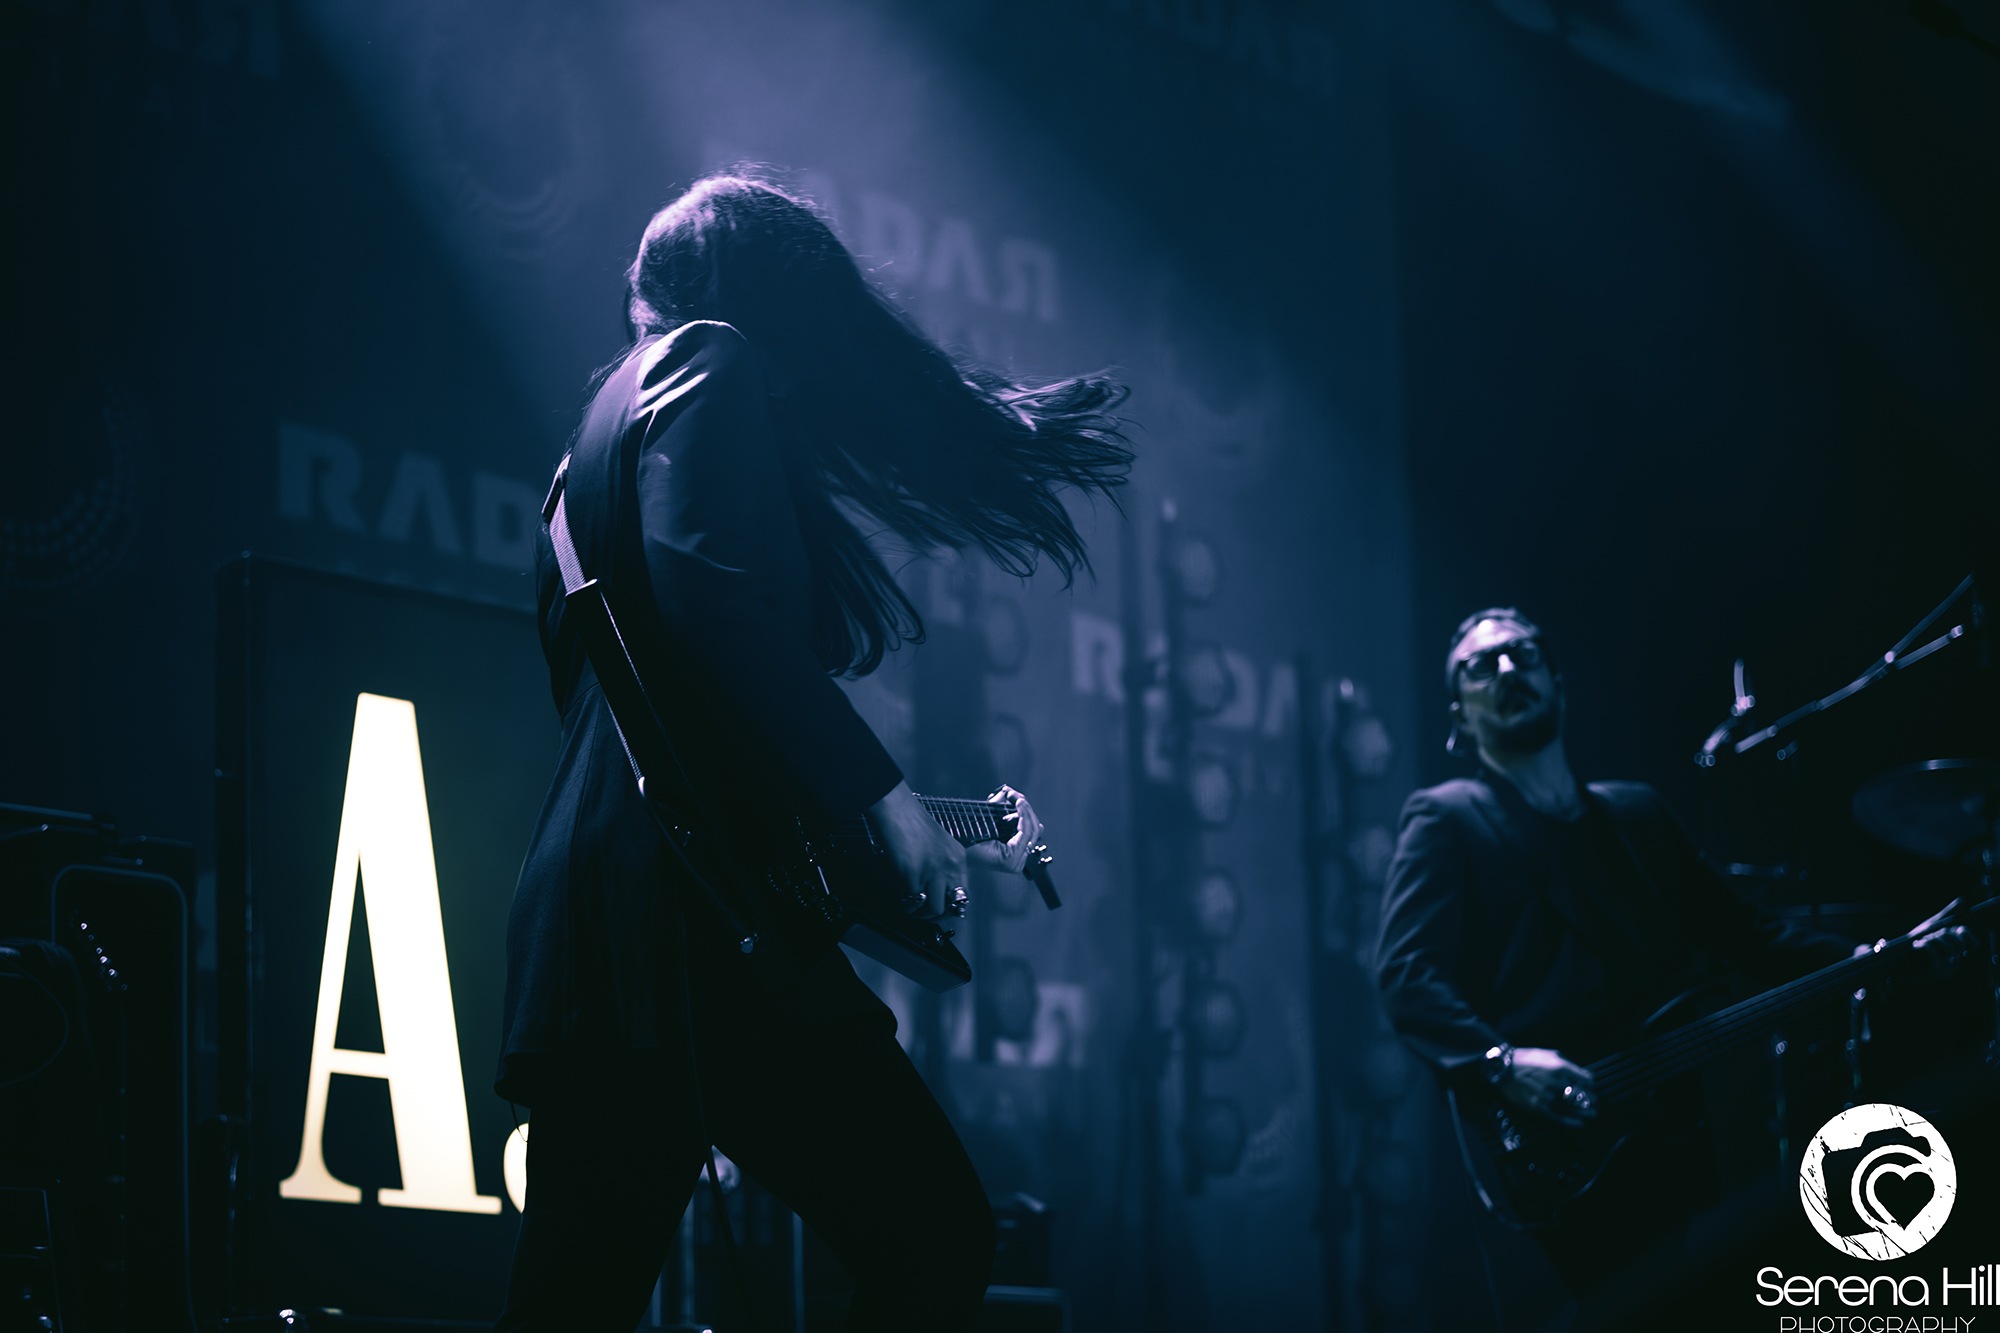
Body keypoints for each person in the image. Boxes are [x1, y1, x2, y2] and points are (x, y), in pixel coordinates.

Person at [494, 174, 1131, 1331]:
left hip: (605, 936)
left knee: (570, 1302)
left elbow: (667, 722)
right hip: (698, 941)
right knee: (932, 1234)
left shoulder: (580, 461)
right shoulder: (710, 359)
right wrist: (876, 792)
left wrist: (931, 821)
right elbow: (705, 601)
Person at [1372, 608, 1860, 1295]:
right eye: (1481, 666)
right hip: (1562, 1144)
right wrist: (1501, 1063)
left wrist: (1874, 954)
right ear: (1459, 715)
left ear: (1559, 682)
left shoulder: (1637, 813)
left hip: (1680, 1130)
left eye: (1524, 654)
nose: (1507, 670)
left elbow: (1750, 935)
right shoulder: (1448, 817)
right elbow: (1406, 974)